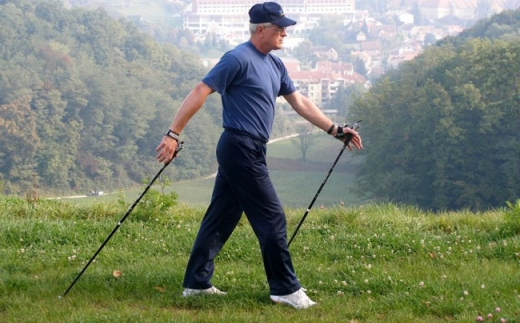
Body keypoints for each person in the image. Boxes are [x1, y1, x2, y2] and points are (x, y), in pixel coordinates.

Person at [155, 1, 363, 309]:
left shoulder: (275, 65)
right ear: (261, 30)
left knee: (222, 216)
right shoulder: (237, 58)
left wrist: (335, 130)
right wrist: (173, 134)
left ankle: (196, 283)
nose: (285, 35)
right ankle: (285, 289)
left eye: (286, 30)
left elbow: (299, 102)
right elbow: (200, 90)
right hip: (239, 147)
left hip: (249, 148)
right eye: (280, 29)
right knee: (272, 216)